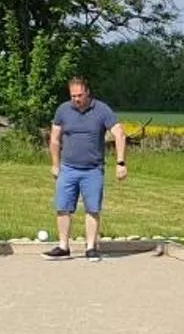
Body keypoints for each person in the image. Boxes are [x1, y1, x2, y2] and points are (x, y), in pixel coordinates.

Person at [45, 75, 126, 259]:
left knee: (92, 208)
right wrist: (55, 164)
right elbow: (55, 139)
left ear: (87, 93)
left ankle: (91, 247)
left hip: (93, 169)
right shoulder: (63, 110)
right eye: (73, 96)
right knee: (62, 206)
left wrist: (120, 163)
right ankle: (63, 247)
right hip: (68, 168)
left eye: (79, 95)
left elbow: (119, 134)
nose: (76, 99)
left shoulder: (102, 110)